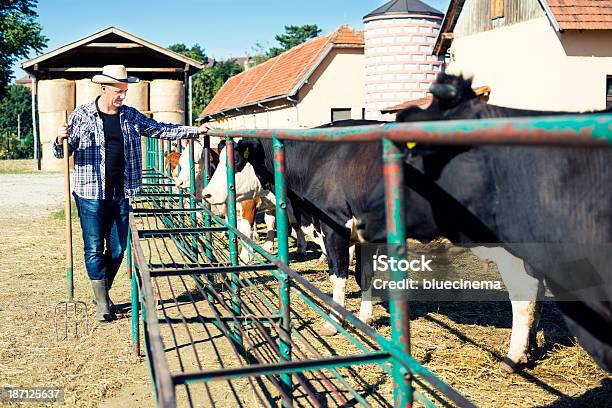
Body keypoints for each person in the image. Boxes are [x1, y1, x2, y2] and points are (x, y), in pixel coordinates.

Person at [53, 65, 211, 322]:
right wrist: (60, 138)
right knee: (94, 247)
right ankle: (103, 303)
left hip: (121, 192)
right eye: (119, 91)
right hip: (90, 192)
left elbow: (160, 129)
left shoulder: (130, 116)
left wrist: (193, 131)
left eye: (125, 91)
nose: (123, 96)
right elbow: (61, 153)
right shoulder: (81, 115)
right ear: (104, 88)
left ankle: (101, 291)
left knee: (117, 248)